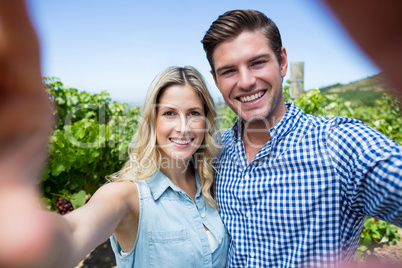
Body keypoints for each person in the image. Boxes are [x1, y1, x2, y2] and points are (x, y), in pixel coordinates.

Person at [0, 3, 229, 267]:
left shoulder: (210, 181)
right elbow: (73, 233)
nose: (183, 127)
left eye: (194, 113)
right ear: (152, 123)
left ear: (207, 120)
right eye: (169, 113)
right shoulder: (126, 196)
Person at [201, 9, 402, 267]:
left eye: (257, 63)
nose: (246, 81)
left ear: (282, 62)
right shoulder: (216, 151)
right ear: (216, 81)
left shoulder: (341, 145)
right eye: (229, 71)